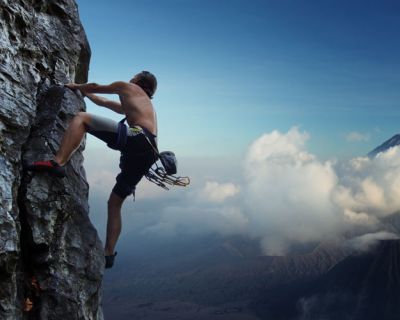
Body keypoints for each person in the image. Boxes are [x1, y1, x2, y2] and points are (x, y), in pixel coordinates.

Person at [27, 71, 158, 269]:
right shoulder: (140, 104)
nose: (131, 77)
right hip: (148, 152)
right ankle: (109, 253)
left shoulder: (128, 87)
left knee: (82, 118)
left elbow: (96, 86)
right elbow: (103, 101)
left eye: (135, 76)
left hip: (137, 138)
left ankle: (58, 162)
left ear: (139, 81)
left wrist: (76, 85)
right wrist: (85, 93)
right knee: (115, 203)